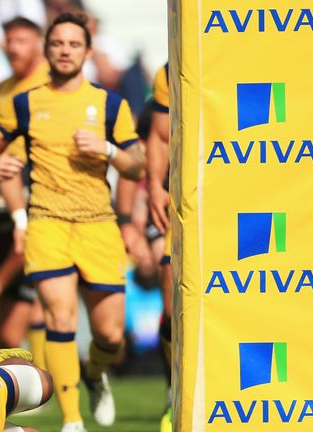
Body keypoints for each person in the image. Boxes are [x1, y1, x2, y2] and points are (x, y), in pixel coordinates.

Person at [0, 13, 145, 432]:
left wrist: (108, 151)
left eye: (74, 44)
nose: (65, 50)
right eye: (57, 43)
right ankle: (73, 420)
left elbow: (137, 166)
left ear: (87, 52)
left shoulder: (111, 104)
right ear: (47, 50)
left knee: (110, 335)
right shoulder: (25, 102)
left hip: (97, 224)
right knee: (59, 317)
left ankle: (94, 373)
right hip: (48, 221)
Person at [0, 16, 51, 371]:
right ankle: (42, 383)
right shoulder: (4, 88)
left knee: (44, 292)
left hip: (46, 192)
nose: (14, 47)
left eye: (22, 40)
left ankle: (55, 379)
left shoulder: (51, 83)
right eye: (9, 40)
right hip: (10, 193)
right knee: (23, 304)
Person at [147, 62, 173, 432]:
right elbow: (160, 135)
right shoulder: (172, 69)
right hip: (188, 201)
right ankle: (176, 392)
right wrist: (155, 184)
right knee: (174, 300)